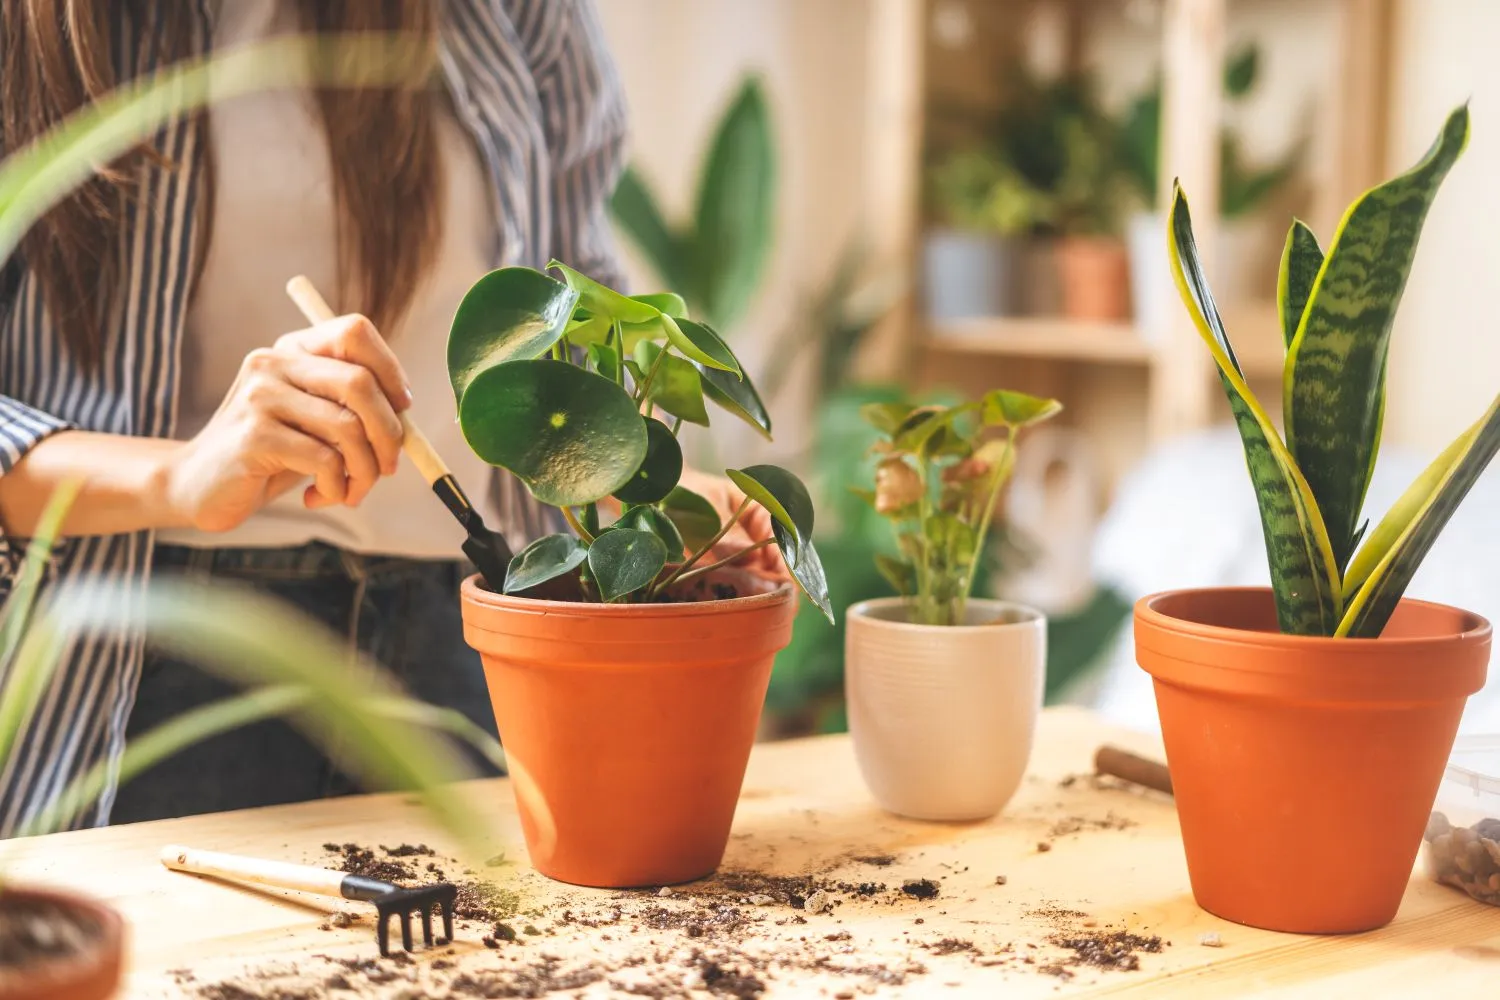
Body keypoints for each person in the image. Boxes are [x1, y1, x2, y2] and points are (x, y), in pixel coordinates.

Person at [0, 0, 784, 834]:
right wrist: (179, 474)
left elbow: (577, 306)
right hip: (162, 649)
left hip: (473, 629)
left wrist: (647, 499)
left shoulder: (514, 15)